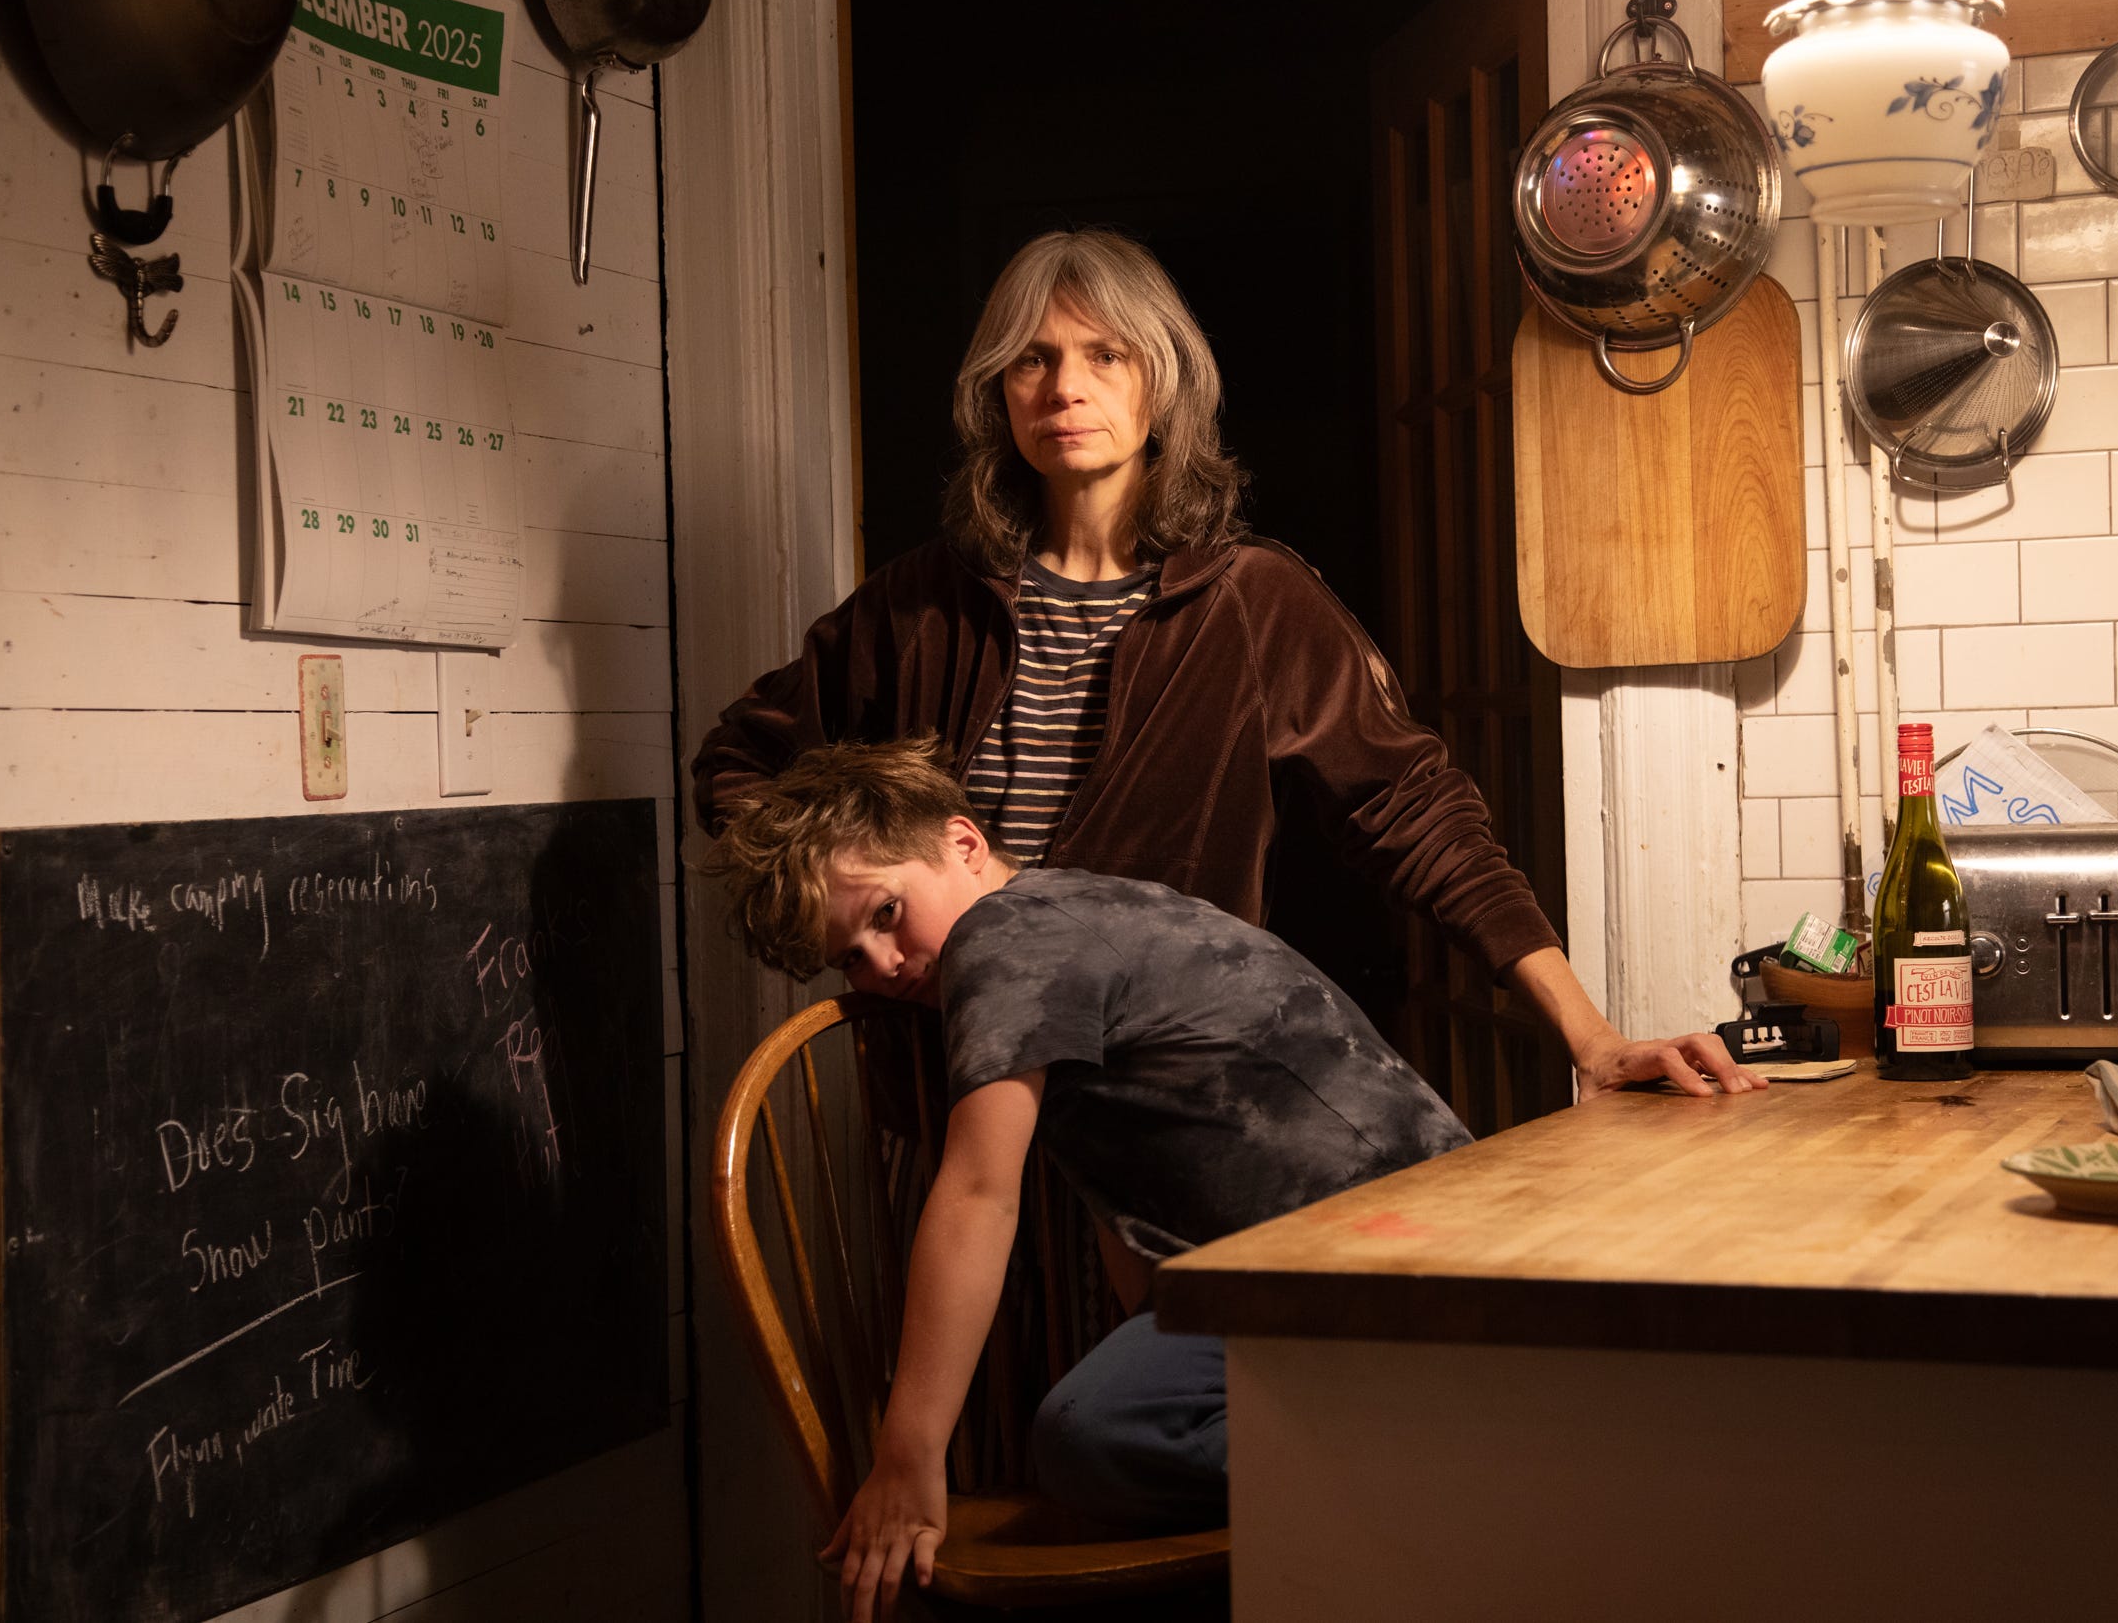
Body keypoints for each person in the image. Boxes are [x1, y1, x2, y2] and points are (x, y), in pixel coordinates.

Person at [691, 226, 1760, 1106]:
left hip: (1167, 1098)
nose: (1065, 386)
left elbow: (1419, 814)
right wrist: (854, 896)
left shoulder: (1253, 601)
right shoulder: (924, 599)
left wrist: (1591, 1036)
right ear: (997, 394)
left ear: (1162, 382)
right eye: (1032, 359)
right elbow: (738, 760)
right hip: (954, 1090)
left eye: (1105, 355)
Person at [707, 736, 1477, 1623]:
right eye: (848, 957)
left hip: (1379, 1251)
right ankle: (1403, 1446)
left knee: (1091, 1432)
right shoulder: (1077, 909)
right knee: (1111, 1414)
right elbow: (1124, 1192)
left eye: (886, 912)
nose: (881, 964)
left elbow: (978, 1194)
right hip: (1392, 1233)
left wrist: (907, 1457)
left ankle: (1434, 1456)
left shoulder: (1003, 936)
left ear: (963, 843)